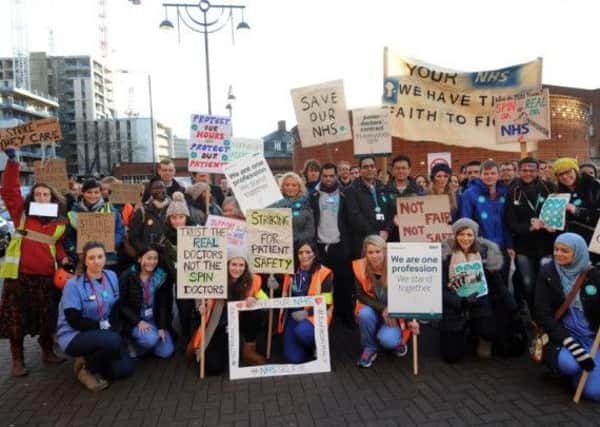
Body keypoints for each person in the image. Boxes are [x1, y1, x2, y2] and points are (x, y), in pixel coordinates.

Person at [0, 147, 68, 376]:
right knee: (16, 321)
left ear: (52, 198)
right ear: (32, 198)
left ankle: (47, 351)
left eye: (45, 195)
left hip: (46, 278)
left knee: (48, 317)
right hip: (18, 278)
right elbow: (10, 191)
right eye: (37, 195)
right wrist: (13, 163)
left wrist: (65, 260)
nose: (41, 197)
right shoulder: (21, 214)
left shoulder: (59, 222)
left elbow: (56, 245)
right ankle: (17, 360)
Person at [56, 241, 134, 391]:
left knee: (124, 370)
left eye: (100, 256)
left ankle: (91, 358)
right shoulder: (73, 284)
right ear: (84, 260)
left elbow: (115, 307)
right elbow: (73, 320)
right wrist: (101, 328)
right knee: (113, 340)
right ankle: (86, 370)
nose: (96, 261)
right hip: (76, 334)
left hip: (103, 331)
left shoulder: (111, 276)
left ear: (105, 258)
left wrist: (112, 326)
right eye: (91, 258)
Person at [534, 233, 600, 401]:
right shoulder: (547, 273)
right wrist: (574, 347)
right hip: (563, 336)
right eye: (556, 249)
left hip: (592, 339)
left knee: (593, 393)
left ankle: (583, 378)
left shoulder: (593, 275)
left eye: (565, 251)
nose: (558, 254)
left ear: (577, 253)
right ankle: (570, 371)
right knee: (570, 365)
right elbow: (542, 314)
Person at [192, 251, 268, 375]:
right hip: (220, 325)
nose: (237, 269)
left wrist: (256, 299)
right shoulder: (214, 278)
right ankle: (225, 348)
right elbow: (200, 293)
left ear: (245, 266)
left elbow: (265, 300)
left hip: (241, 322)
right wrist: (201, 305)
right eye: (233, 264)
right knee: (213, 368)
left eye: (241, 265)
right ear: (227, 265)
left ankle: (248, 351)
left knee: (255, 312)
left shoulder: (254, 280)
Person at [440, 219, 504, 363]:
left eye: (469, 235)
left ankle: (482, 336)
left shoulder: (485, 254)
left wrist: (509, 302)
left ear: (475, 236)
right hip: (455, 305)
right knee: (451, 357)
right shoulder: (445, 256)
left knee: (488, 328)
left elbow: (496, 283)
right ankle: (462, 334)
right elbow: (440, 289)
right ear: (455, 236)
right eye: (461, 234)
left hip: (480, 303)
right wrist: (460, 301)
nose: (465, 238)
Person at [353, 235, 419, 368]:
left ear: (385, 251)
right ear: (365, 253)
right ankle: (369, 348)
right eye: (370, 252)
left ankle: (397, 342)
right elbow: (360, 294)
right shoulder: (360, 267)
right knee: (364, 314)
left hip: (395, 313)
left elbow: (408, 295)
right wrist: (383, 309)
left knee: (388, 341)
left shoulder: (397, 265)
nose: (374, 256)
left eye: (378, 251)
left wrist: (409, 320)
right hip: (374, 309)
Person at [504, 157, 556, 311]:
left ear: (538, 171)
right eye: (524, 170)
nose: (528, 173)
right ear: (519, 171)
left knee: (548, 282)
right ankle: (535, 316)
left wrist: (553, 225)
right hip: (524, 248)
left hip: (547, 244)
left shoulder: (549, 188)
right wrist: (529, 227)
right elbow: (510, 222)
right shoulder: (513, 192)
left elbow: (559, 214)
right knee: (528, 283)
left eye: (531, 170)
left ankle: (549, 314)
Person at [309, 162, 354, 328]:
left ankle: (346, 316)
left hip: (340, 244)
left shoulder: (345, 194)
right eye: (325, 176)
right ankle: (327, 315)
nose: (328, 179)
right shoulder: (313, 195)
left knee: (344, 283)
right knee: (324, 284)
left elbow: (350, 220)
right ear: (321, 176)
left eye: (331, 176)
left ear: (337, 176)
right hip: (321, 246)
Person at [278, 240, 333, 364]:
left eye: (308, 252)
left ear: (314, 254)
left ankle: (316, 345)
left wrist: (307, 314)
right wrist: (274, 286)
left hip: (313, 315)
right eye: (300, 252)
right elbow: (282, 294)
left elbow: (327, 302)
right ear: (296, 255)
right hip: (293, 316)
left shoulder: (324, 273)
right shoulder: (290, 272)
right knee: (293, 358)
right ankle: (306, 348)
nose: (304, 255)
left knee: (302, 332)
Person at [119, 245, 174, 359]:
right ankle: (130, 344)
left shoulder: (161, 276)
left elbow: (163, 305)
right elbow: (121, 305)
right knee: (151, 339)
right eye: (148, 258)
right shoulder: (128, 275)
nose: (152, 262)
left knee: (166, 351)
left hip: (153, 319)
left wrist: (161, 327)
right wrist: (138, 321)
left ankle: (144, 345)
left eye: (155, 258)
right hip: (134, 320)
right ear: (140, 259)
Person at [160, 192, 197, 347]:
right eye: (174, 218)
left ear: (186, 218)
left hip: (195, 276)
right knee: (183, 308)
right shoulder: (165, 238)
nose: (177, 221)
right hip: (176, 278)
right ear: (169, 219)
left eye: (181, 217)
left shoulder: (196, 233)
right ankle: (186, 336)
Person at [64, 178, 125, 270]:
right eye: (89, 192)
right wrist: (76, 253)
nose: (93, 195)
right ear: (82, 193)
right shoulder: (73, 213)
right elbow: (69, 238)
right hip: (83, 261)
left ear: (101, 193)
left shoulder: (111, 210)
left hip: (108, 259)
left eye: (96, 192)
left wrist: (111, 244)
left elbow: (119, 231)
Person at [345, 156, 390, 257]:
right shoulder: (351, 190)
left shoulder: (382, 187)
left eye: (372, 166)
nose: (369, 169)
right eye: (365, 167)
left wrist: (387, 230)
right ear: (360, 170)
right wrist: (376, 234)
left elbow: (390, 211)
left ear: (375, 169)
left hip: (384, 239)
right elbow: (355, 217)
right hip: (363, 242)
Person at [553, 158, 600, 245]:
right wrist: (553, 225)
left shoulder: (594, 186)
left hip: (592, 241)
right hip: (569, 242)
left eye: (568, 172)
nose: (564, 176)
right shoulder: (559, 192)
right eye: (560, 174)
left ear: (576, 171)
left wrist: (577, 211)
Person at [385, 154, 425, 242]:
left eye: (404, 168)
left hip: (413, 236)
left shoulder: (419, 190)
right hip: (392, 237)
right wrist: (392, 220)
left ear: (409, 170)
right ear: (392, 170)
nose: (401, 171)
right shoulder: (384, 190)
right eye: (397, 168)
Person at [129, 177, 171, 253]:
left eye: (162, 187)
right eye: (155, 188)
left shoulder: (174, 208)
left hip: (169, 256)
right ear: (150, 191)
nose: (159, 190)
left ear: (166, 189)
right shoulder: (142, 210)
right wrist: (145, 250)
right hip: (150, 257)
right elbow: (133, 236)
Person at [271, 172, 315, 245]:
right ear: (282, 187)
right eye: (287, 185)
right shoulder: (274, 205)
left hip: (299, 249)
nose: (290, 188)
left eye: (294, 185)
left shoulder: (306, 205)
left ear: (299, 187)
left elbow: (310, 232)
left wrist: (292, 239)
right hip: (279, 248)